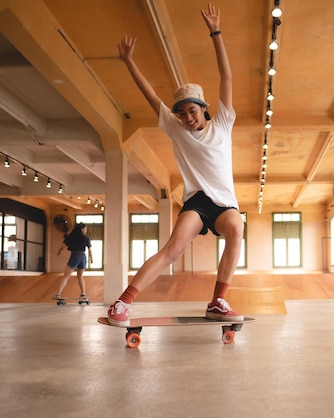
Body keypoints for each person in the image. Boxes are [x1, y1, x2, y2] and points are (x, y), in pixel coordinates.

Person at [108, 2, 244, 326]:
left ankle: (217, 301)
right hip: (197, 200)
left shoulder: (222, 122)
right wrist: (129, 62)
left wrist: (216, 32)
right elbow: (148, 95)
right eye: (181, 113)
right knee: (173, 249)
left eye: (192, 111)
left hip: (225, 202)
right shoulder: (175, 127)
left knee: (237, 228)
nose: (187, 118)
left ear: (204, 108)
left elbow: (227, 75)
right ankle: (122, 303)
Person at [55, 222, 93, 300]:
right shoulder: (86, 238)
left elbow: (63, 245)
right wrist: (91, 259)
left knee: (66, 276)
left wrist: (59, 251)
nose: (86, 230)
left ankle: (58, 293)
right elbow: (89, 249)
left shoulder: (71, 237)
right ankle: (83, 293)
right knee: (80, 276)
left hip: (75, 256)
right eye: (85, 229)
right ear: (82, 229)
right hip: (83, 257)